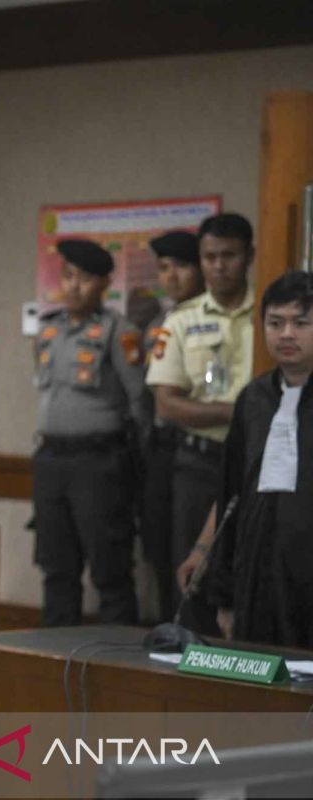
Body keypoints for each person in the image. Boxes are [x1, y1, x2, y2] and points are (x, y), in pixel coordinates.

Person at [32, 238, 150, 626]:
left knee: (109, 569)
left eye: (84, 278)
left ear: (104, 284)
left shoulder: (119, 332)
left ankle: (116, 656)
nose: (74, 286)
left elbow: (139, 402)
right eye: (68, 276)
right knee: (56, 568)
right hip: (51, 460)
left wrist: (137, 461)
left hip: (98, 463)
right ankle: (53, 654)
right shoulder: (48, 331)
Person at [147, 213, 255, 635]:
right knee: (193, 577)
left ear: (249, 256)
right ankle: (190, 660)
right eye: (209, 257)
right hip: (199, 464)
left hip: (258, 463)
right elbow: (168, 404)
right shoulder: (181, 320)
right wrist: (242, 412)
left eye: (229, 255)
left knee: (251, 572)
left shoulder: (272, 314)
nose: (218, 266)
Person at [204, 271, 313, 647]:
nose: (286, 334)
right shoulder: (253, 399)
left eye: (301, 323)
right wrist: (224, 595)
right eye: (275, 323)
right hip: (257, 574)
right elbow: (230, 495)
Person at [139, 230, 205, 621]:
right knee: (158, 544)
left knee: (190, 548)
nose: (172, 276)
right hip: (160, 447)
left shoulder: (207, 318)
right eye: (164, 268)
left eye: (181, 266)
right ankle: (167, 627)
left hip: (196, 444)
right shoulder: (158, 324)